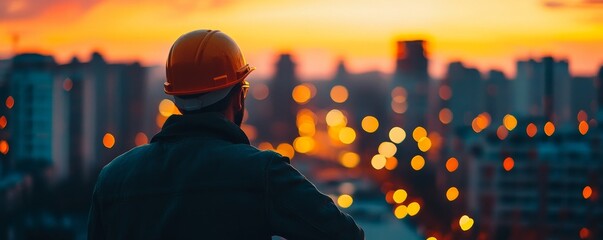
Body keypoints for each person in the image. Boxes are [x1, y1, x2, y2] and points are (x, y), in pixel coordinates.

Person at [87, 29, 364, 240]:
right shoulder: (263, 173)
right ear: (238, 97)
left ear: (175, 98)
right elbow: (345, 236)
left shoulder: (114, 178)